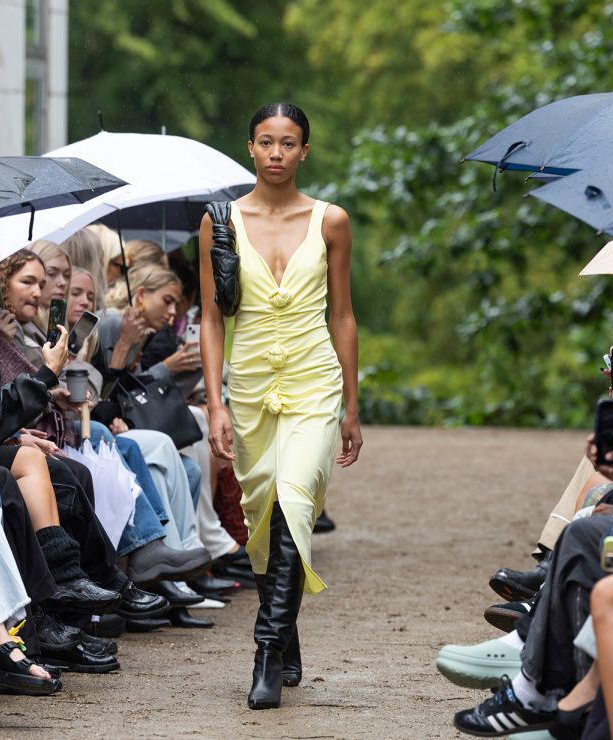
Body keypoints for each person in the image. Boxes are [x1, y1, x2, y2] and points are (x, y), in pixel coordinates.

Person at [199, 102, 362, 709]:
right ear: (250, 147)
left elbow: (343, 315)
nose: (276, 153)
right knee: (263, 513)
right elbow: (212, 320)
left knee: (295, 499)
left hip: (313, 380)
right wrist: (214, 403)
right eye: (265, 141)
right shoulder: (218, 221)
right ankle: (286, 630)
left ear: (304, 152)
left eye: (288, 143)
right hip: (247, 390)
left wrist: (351, 404)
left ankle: (265, 649)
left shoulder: (331, 221)